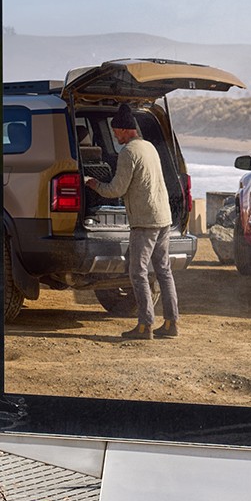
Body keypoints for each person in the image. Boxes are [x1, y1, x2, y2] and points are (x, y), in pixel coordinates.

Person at [86, 103, 180, 340]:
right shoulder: (149, 147)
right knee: (164, 271)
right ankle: (171, 323)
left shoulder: (128, 152)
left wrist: (92, 183)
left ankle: (145, 325)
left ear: (125, 130)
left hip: (145, 221)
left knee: (137, 271)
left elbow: (115, 189)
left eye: (116, 131)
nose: (115, 135)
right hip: (163, 218)